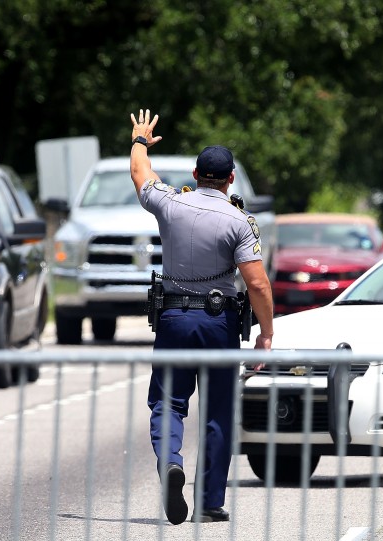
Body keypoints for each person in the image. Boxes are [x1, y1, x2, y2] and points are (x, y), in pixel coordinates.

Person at [129, 108, 274, 525]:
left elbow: (140, 172)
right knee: (217, 410)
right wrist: (265, 333)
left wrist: (141, 139)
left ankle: (170, 461)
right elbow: (259, 284)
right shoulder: (239, 221)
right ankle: (210, 501)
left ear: (195, 172)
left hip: (174, 318)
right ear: (230, 179)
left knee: (168, 403)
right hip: (219, 322)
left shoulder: (171, 204)